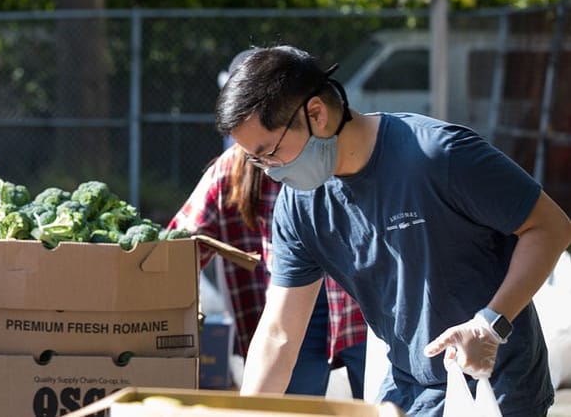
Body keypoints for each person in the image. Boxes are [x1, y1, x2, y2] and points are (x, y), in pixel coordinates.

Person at [216, 45, 571, 416]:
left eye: (270, 152)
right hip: (408, 390)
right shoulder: (299, 206)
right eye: (257, 161)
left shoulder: (437, 155)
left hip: (494, 386)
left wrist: (490, 324)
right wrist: (246, 413)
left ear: (317, 114)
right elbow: (279, 333)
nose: (270, 170)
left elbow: (551, 227)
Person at [170, 143, 367, 398]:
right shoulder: (233, 168)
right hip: (290, 308)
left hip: (355, 302)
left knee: (385, 399)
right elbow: (180, 247)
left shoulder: (332, 152)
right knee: (292, 403)